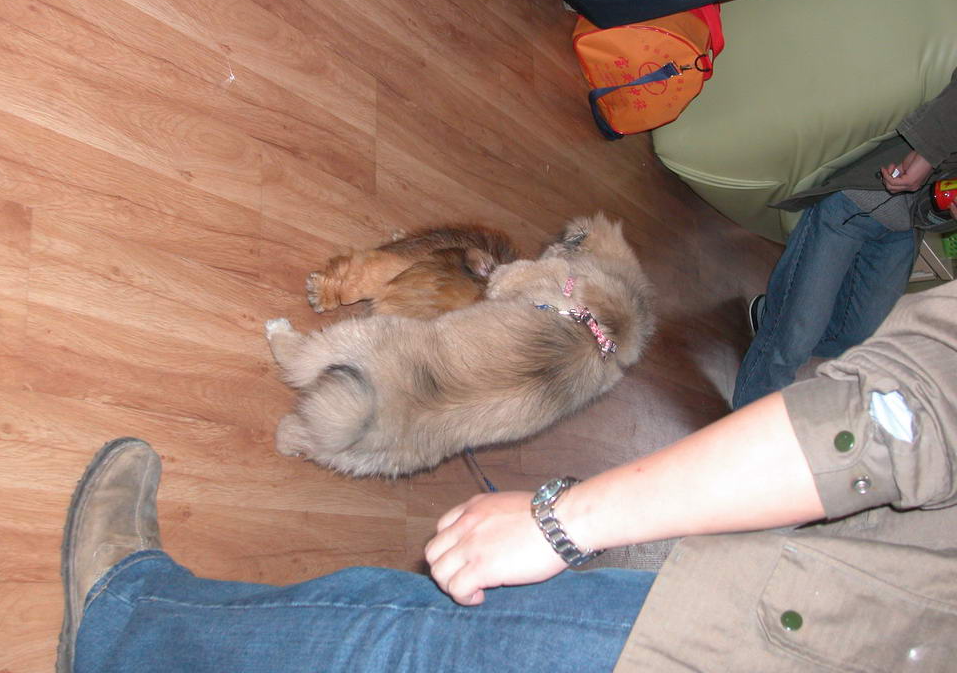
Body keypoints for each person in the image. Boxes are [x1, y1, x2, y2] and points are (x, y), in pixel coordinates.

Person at [58, 279, 957, 672]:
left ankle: (124, 620)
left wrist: (565, 521)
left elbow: (888, 422)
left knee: (412, 645)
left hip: (795, 645)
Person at [732, 69, 957, 410]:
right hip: (854, 201)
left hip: (903, 228)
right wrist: (926, 153)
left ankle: (774, 315)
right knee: (791, 343)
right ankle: (743, 429)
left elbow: (933, 206)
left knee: (855, 336)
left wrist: (945, 210)